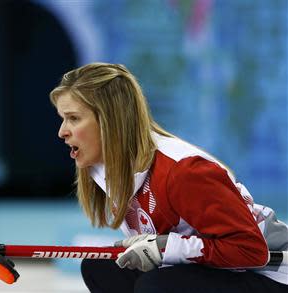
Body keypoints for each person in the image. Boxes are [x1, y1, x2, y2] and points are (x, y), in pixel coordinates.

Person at [49, 63, 288, 292]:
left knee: (157, 286)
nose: (62, 131)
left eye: (74, 118)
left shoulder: (184, 170)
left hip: (270, 274)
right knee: (101, 268)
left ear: (109, 119)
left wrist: (164, 247)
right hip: (226, 270)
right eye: (63, 118)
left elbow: (250, 250)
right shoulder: (109, 171)